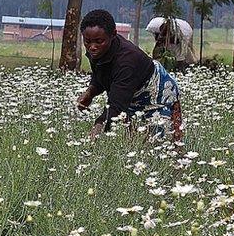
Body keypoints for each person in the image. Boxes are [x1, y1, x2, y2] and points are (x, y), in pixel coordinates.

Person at [75, 9, 183, 141]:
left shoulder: (127, 61)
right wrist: (89, 93)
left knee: (160, 146)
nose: (92, 47)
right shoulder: (98, 51)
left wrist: (98, 126)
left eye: (98, 41)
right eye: (87, 41)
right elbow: (102, 75)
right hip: (132, 93)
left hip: (158, 95)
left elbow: (116, 106)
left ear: (113, 35)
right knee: (133, 142)